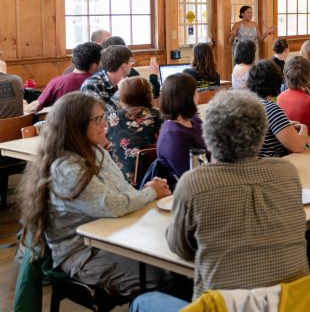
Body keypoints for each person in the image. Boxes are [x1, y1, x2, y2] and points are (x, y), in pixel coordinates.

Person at [132, 91, 310, 310]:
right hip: (290, 303)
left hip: (222, 306)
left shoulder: (194, 183)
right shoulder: (287, 172)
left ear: (209, 135)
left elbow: (180, 248)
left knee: (142, 302)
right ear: (262, 135)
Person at [18, 93, 171, 298]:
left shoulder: (96, 152)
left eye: (103, 117)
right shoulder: (66, 169)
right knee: (161, 276)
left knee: (170, 261)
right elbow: (111, 205)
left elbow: (123, 193)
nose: (104, 124)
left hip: (114, 235)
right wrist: (150, 192)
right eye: (98, 119)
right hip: (81, 253)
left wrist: (146, 192)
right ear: (76, 127)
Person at [247, 60, 310, 157]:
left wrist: (285, 125)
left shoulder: (246, 104)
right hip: (273, 166)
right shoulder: (271, 109)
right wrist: (304, 127)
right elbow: (298, 146)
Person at [107, 76, 162, 184]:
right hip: (154, 176)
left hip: (122, 179)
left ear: (123, 97)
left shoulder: (113, 117)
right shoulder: (159, 115)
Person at [156, 73, 206, 185]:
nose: (198, 95)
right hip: (189, 192)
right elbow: (192, 179)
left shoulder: (193, 120)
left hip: (208, 177)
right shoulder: (173, 138)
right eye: (196, 92)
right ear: (187, 99)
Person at [36, 42, 102, 111]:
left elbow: (37, 105)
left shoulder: (56, 82)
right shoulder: (98, 82)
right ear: (93, 66)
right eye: (100, 62)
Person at [80, 45, 133, 114]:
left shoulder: (128, 80)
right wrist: (120, 92)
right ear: (124, 66)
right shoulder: (91, 84)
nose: (132, 65)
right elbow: (100, 117)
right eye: (131, 62)